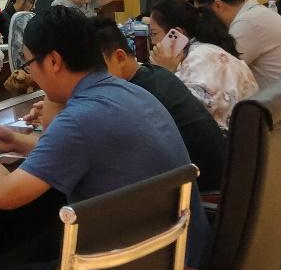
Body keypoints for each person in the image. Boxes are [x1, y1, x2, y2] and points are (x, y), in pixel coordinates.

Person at [0, 8, 207, 270]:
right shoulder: (128, 91)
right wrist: (17, 142)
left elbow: (4, 193)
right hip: (171, 262)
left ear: (53, 61)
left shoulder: (81, 117)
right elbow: (89, 152)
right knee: (34, 239)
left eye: (29, 64)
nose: (31, 75)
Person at [92, 17, 226, 191]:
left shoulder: (136, 95)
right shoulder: (156, 74)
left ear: (119, 57)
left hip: (200, 191)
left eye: (94, 69)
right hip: (217, 181)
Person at [149, 0, 257, 130]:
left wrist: (166, 73)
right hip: (243, 133)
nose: (153, 42)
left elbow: (187, 116)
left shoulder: (200, 58)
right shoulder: (206, 51)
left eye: (154, 34)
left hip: (227, 138)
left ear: (177, 34)